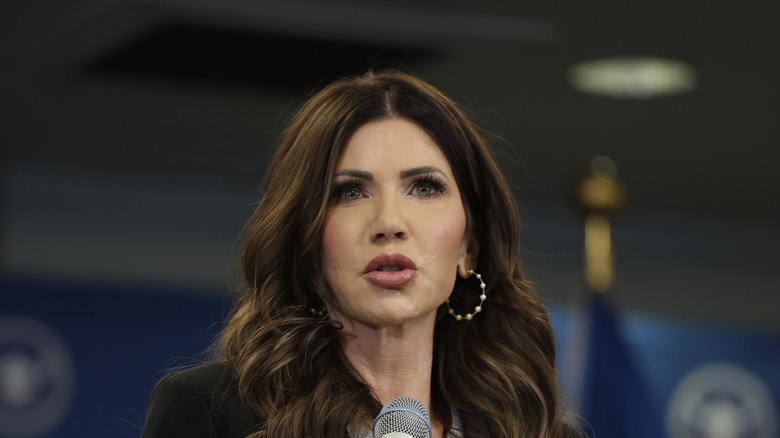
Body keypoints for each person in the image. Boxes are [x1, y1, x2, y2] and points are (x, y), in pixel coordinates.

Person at [141, 70, 580, 438]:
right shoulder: (210, 415)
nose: (390, 222)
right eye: (350, 192)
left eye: (424, 188)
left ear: (470, 246)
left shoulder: (537, 430)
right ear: (306, 243)